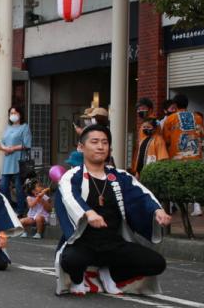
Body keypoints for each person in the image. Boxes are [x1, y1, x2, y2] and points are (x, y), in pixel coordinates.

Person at [53, 124, 171, 295]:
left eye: (105, 142)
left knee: (156, 263)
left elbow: (141, 194)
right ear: (81, 147)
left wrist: (157, 211)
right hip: (83, 243)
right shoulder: (72, 176)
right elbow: (70, 196)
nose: (100, 146)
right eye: (94, 142)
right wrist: (88, 213)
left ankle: (110, 274)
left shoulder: (119, 176)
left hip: (113, 244)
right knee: (71, 260)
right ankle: (79, 278)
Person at [0, 105, 32, 215]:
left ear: (20, 114)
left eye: (15, 113)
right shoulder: (8, 128)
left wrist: (12, 148)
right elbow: (2, 142)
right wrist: (3, 147)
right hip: (7, 160)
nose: (13, 115)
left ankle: (21, 210)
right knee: (3, 186)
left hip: (18, 160)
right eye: (11, 113)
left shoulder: (25, 127)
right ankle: (10, 207)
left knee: (19, 188)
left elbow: (27, 144)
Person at [160, 93, 204, 161]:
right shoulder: (198, 118)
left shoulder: (170, 119)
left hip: (176, 159)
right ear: (187, 104)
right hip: (195, 159)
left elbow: (166, 141)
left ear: (175, 105)